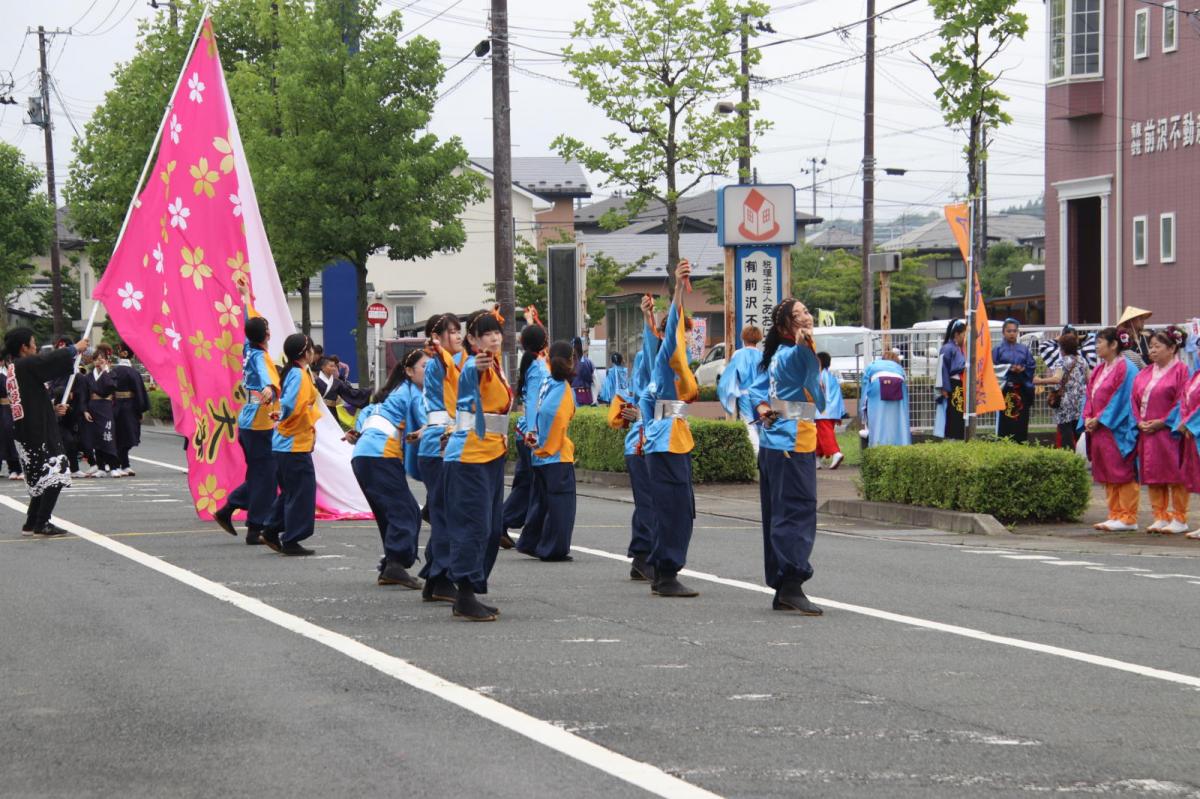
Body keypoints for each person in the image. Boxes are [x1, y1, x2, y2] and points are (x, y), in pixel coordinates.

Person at [755, 299, 825, 615]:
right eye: (800, 314)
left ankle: (783, 585)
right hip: (789, 442)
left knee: (779, 512)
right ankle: (791, 582)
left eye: (807, 311)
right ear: (786, 325)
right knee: (796, 510)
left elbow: (758, 393)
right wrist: (804, 342)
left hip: (781, 442)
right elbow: (803, 363)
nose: (807, 316)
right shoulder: (789, 354)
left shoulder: (776, 356)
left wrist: (762, 408)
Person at [442, 309, 512, 621]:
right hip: (469, 456)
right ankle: (464, 593)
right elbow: (470, 377)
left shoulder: (496, 365)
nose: (494, 338)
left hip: (492, 454)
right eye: (486, 333)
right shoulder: (475, 364)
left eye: (496, 331)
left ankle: (469, 586)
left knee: (493, 525)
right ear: (472, 339)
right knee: (475, 524)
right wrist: (477, 364)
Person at [638, 261, 700, 598]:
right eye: (685, 335)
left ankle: (664, 571)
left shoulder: (661, 359)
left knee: (675, 509)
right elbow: (671, 326)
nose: (688, 340)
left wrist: (647, 318)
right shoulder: (667, 358)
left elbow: (653, 341)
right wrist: (678, 288)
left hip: (669, 439)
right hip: (666, 441)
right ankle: (665, 573)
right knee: (675, 510)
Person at [346, 356, 424, 588]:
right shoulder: (411, 392)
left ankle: (391, 564)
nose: (430, 372)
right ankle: (396, 564)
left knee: (388, 512)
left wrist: (355, 433)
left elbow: (366, 416)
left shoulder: (386, 398)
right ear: (409, 371)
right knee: (406, 511)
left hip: (363, 457)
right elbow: (426, 421)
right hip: (380, 456)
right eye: (425, 367)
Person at [3, 328, 88, 536]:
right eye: (33, 342)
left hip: (26, 430)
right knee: (57, 471)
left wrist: (52, 410)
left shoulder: (14, 368)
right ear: (24, 347)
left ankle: (32, 522)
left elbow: (31, 401)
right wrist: (74, 349)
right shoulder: (25, 364)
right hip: (37, 432)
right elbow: (50, 360)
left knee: (43, 476)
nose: (36, 347)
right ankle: (42, 522)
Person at [214, 276, 280, 544]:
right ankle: (255, 526)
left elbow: (249, 322)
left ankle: (230, 510)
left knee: (260, 473)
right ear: (266, 335)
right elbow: (267, 377)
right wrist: (270, 389)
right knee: (267, 475)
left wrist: (245, 298)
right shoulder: (261, 356)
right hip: (259, 422)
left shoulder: (248, 348)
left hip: (249, 420)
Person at [607, 294, 659, 582]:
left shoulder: (658, 361)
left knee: (648, 502)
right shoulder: (652, 361)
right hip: (644, 442)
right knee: (650, 502)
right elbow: (651, 350)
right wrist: (648, 318)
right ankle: (645, 556)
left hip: (648, 441)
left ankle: (642, 556)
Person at [416, 312, 465, 604]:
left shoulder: (445, 365)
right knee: (447, 515)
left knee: (444, 514)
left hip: (437, 444)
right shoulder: (440, 365)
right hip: (439, 446)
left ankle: (436, 576)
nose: (458, 336)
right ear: (437, 338)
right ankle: (441, 576)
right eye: (452, 332)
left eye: (459, 331)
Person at [516, 340, 578, 561]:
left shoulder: (545, 381)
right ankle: (553, 548)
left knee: (541, 502)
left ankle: (531, 542)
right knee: (561, 505)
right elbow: (554, 416)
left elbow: (535, 410)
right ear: (572, 361)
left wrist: (533, 438)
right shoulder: (563, 390)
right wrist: (543, 444)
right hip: (556, 454)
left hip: (539, 456)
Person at [263, 333, 322, 556]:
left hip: (286, 444)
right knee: (302, 492)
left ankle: (271, 529)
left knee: (291, 491)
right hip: (293, 444)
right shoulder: (298, 374)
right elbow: (289, 403)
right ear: (305, 353)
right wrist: (281, 414)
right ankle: (291, 538)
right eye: (311, 348)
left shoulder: (295, 372)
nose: (313, 352)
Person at [1081, 327, 1140, 532]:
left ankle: (1128, 516)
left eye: (1100, 342)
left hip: (1116, 427)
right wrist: (1088, 416)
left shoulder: (1127, 368)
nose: (1096, 346)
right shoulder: (1099, 369)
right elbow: (1089, 395)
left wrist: (1101, 418)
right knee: (1106, 470)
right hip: (1099, 427)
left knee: (1121, 470)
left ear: (1113, 344)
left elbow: (1123, 399)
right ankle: (1114, 513)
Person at [1132, 327, 1190, 534]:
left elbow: (1183, 400)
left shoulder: (1182, 371)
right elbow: (1134, 400)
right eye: (1152, 346)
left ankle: (1179, 517)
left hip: (1169, 431)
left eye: (1158, 346)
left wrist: (1163, 421)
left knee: (1175, 473)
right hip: (1147, 431)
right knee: (1152, 473)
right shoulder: (1145, 372)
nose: (1153, 350)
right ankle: (1160, 515)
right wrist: (1139, 421)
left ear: (1172, 348)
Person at [501, 323, 549, 547]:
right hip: (532, 433)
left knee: (525, 483)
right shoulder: (538, 367)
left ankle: (503, 523)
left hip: (524, 432)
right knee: (531, 484)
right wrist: (533, 431)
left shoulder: (530, 364)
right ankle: (504, 522)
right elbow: (533, 402)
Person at [1033, 330, 1088, 451]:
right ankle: (1082, 457)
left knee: (1065, 433)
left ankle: (1068, 459)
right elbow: (1088, 379)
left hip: (1064, 403)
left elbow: (1057, 379)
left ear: (1062, 348)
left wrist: (1039, 381)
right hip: (1079, 401)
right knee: (1078, 431)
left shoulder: (1061, 361)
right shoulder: (1082, 361)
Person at [717, 325, 767, 455]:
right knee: (762, 422)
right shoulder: (763, 355)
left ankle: (756, 454)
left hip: (745, 394)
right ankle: (764, 453)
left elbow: (730, 376)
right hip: (761, 395)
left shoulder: (738, 354)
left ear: (743, 338)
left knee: (748, 423)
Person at [1167, 352, 1200, 539]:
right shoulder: (1195, 376)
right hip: (1193, 433)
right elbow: (1184, 402)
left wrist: (1189, 423)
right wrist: (1184, 422)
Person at [46, 337, 87, 477]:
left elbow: (82, 397)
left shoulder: (77, 375)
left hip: (72, 413)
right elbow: (49, 392)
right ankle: (60, 467)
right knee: (63, 440)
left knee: (73, 441)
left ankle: (74, 468)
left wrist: (79, 409)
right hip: (54, 412)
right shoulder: (52, 374)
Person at [993, 318, 1036, 443]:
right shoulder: (998, 350)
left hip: (1022, 388)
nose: (1012, 333)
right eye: (1009, 331)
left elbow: (1031, 366)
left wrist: (1022, 369)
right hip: (1005, 390)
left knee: (1021, 420)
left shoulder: (1024, 349)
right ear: (1003, 332)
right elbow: (992, 368)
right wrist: (1009, 368)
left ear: (1018, 332)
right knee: (1006, 420)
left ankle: (1021, 443)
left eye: (1014, 331)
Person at [80, 346, 119, 477]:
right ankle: (101, 467)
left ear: (107, 361)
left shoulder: (111, 374)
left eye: (102, 359)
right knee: (96, 438)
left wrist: (105, 371)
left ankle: (114, 466)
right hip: (93, 407)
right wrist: (85, 410)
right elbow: (84, 395)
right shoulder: (88, 377)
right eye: (96, 359)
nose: (99, 361)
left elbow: (110, 386)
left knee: (108, 436)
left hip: (106, 407)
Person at [860, 350, 911, 448]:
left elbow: (865, 390)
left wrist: (863, 413)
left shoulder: (873, 365)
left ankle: (876, 446)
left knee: (878, 419)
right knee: (899, 419)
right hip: (899, 384)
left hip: (877, 385)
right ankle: (903, 446)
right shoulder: (899, 368)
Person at [110, 352, 149, 477]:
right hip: (129, 407)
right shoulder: (133, 373)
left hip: (114, 406)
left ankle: (123, 463)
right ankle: (122, 464)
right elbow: (139, 391)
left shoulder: (112, 371)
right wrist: (141, 410)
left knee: (117, 435)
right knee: (128, 435)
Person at [934, 319, 967, 440]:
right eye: (964, 334)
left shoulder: (960, 348)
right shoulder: (948, 348)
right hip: (953, 385)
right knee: (954, 413)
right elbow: (942, 369)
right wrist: (944, 388)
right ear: (957, 334)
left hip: (961, 384)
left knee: (960, 413)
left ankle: (959, 437)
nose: (965, 337)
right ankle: (952, 438)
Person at [814, 351, 845, 469]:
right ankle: (816, 458)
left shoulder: (819, 376)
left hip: (822, 411)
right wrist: (841, 413)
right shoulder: (832, 377)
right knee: (819, 435)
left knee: (824, 434)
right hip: (833, 411)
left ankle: (835, 452)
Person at [0, 355, 23, 481]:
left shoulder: (11, 374)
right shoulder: (3, 376)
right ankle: (13, 468)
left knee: (14, 437)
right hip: (4, 408)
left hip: (14, 407)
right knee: (7, 438)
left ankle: (19, 468)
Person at [570, 337, 595, 406]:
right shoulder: (586, 361)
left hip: (579, 392)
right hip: (580, 392)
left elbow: (589, 377)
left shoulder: (583, 362)